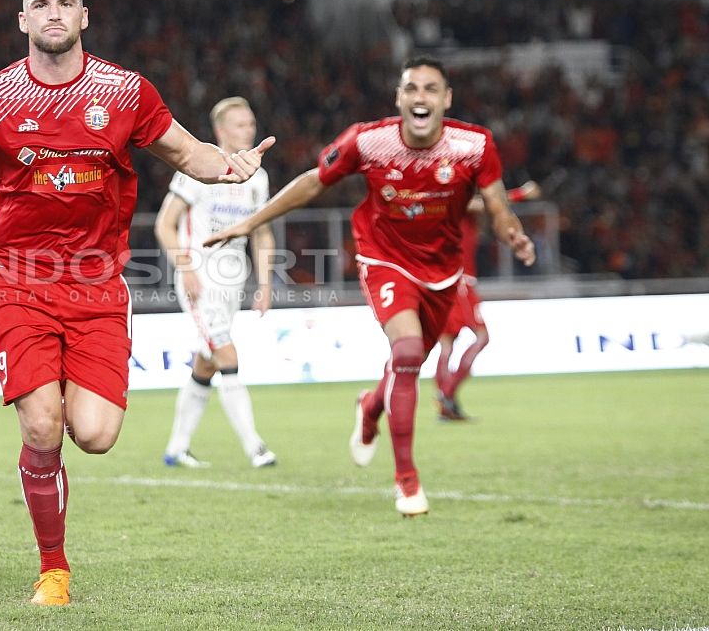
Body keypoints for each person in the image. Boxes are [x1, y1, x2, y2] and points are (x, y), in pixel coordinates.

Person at [0, 0, 273, 606]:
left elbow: (186, 151)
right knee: (42, 425)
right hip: (18, 279)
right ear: (23, 19)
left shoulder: (125, 92)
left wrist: (229, 167)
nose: (54, 13)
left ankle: (65, 421)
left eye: (66, 3)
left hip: (96, 286)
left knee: (93, 434)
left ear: (84, 15)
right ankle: (53, 570)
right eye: (42, 4)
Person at [205, 56, 534, 517]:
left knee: (411, 361)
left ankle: (369, 407)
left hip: (443, 270)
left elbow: (497, 205)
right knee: (405, 354)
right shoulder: (368, 140)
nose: (421, 96)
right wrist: (248, 224)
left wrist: (512, 233)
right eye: (412, 88)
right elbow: (313, 183)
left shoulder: (474, 145)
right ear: (399, 98)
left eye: (431, 89)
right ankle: (407, 481)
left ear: (446, 99)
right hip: (384, 259)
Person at [154, 97, 278, 469]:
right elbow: (165, 223)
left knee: (206, 363)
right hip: (201, 279)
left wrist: (266, 284)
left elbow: (262, 234)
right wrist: (186, 267)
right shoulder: (200, 168)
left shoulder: (258, 177)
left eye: (251, 124)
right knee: (226, 353)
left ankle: (176, 448)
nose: (249, 131)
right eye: (240, 125)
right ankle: (256, 447)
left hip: (233, 280)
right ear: (221, 132)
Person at [435, 180, 541, 420]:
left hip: (446, 280)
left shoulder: (444, 202)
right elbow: (486, 204)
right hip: (460, 281)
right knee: (481, 337)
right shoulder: (456, 201)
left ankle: (446, 406)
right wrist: (522, 193)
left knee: (447, 343)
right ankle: (447, 393)